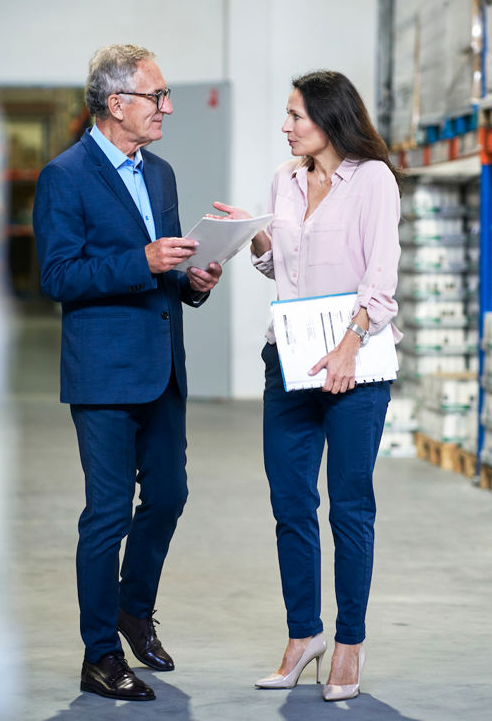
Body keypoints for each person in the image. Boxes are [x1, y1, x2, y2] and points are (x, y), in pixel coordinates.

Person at [33, 44, 223, 702]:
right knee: (107, 514)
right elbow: (58, 276)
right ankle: (98, 654)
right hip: (105, 373)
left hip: (162, 368)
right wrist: (141, 260)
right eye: (157, 97)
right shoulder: (66, 175)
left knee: (168, 497)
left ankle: (133, 609)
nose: (167, 108)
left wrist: (191, 279)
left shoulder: (161, 174)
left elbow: (162, 270)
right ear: (118, 104)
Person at [213, 70, 402, 702]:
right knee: (291, 504)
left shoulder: (373, 179)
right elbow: (280, 268)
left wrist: (350, 344)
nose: (287, 126)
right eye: (287, 115)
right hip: (289, 360)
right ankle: (304, 637)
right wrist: (255, 233)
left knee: (349, 506)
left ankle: (349, 643)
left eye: (297, 116)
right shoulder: (285, 180)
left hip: (355, 361)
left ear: (330, 118)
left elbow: (380, 277)